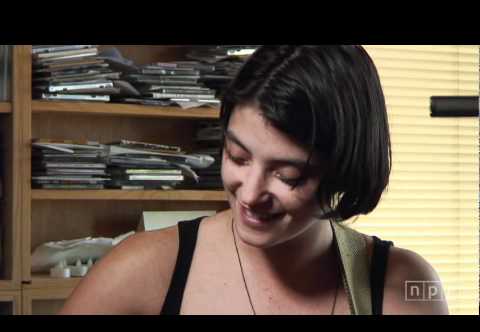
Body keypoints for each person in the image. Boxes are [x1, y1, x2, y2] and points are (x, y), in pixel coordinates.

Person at [59, 45, 449, 315]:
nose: (250, 192)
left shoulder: (406, 287)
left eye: (288, 175)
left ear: (344, 167)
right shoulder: (141, 269)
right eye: (238, 156)